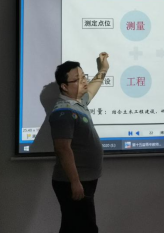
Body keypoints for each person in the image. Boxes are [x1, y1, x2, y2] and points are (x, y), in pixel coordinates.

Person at [49, 52, 110, 233]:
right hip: (73, 182)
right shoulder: (63, 112)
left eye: (84, 76)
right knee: (85, 227)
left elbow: (92, 88)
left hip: (84, 179)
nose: (85, 81)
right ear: (64, 86)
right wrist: (74, 182)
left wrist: (103, 69)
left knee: (73, 226)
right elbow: (63, 149)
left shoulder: (78, 102)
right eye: (79, 79)